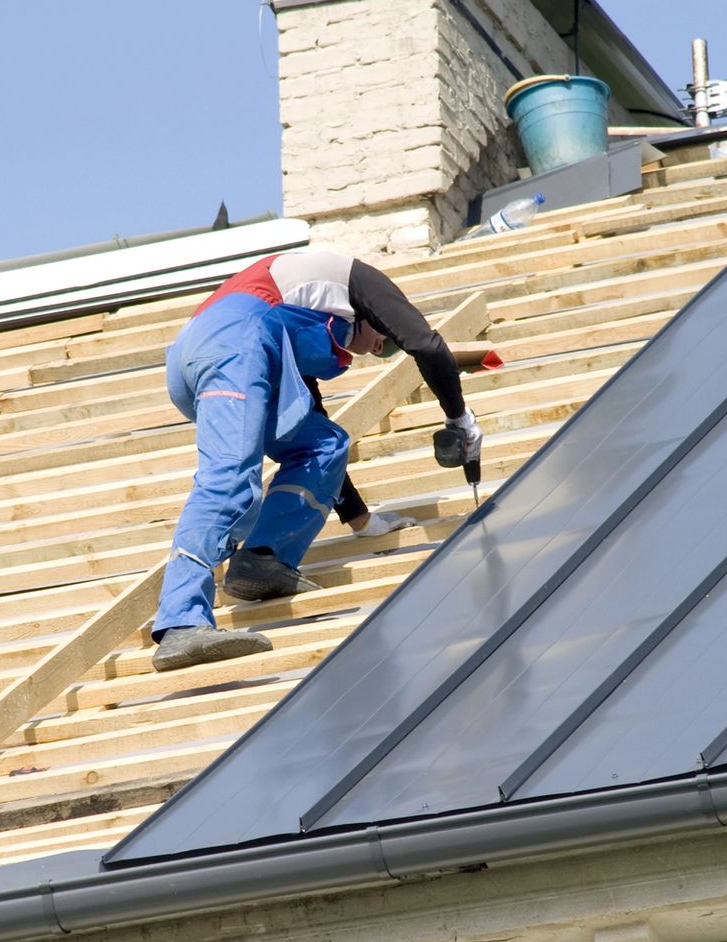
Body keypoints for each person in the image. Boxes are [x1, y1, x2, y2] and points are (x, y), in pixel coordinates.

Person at [150, 247, 482, 671]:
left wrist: (363, 522)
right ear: (372, 315)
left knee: (323, 443)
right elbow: (427, 345)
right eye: (383, 339)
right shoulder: (358, 281)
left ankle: (263, 559)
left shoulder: (303, 321)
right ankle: (181, 623)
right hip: (232, 344)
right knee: (229, 479)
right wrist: (460, 419)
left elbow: (315, 412)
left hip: (226, 348)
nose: (380, 346)